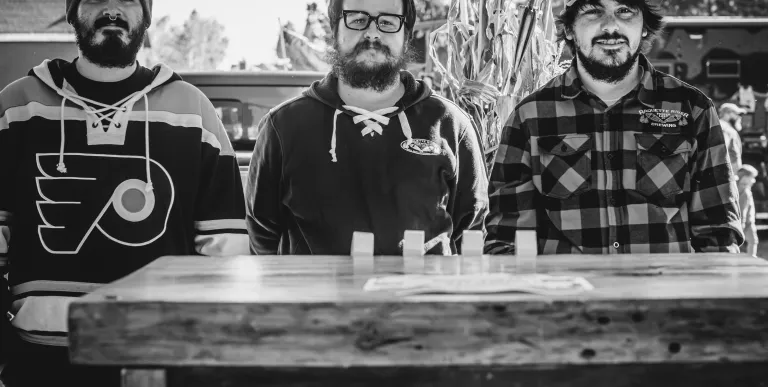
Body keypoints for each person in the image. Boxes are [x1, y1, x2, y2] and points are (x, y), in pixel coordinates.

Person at [0, 0, 248, 385]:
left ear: (147, 14)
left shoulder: (194, 111)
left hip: (160, 359)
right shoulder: (16, 107)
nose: (112, 8)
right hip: (39, 362)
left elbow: (225, 254)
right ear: (72, 12)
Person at [484, 0, 744, 255]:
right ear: (571, 29)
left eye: (625, 11)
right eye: (594, 11)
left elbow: (717, 233)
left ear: (644, 27)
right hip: (567, 296)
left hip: (665, 293)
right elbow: (508, 238)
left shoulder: (692, 109)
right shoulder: (531, 116)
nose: (610, 26)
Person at [246, 0, 488, 256]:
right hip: (315, 296)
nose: (373, 33)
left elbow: (472, 233)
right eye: (358, 19)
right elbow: (262, 235)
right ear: (334, 28)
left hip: (422, 294)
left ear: (406, 33)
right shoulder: (283, 126)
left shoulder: (451, 125)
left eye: (387, 22)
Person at [738, 165, 759, 257]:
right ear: (745, 178)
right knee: (753, 241)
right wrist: (742, 224)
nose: (754, 181)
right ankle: (752, 257)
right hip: (747, 222)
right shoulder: (745, 192)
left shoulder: (738, 189)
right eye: (752, 178)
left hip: (743, 222)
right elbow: (743, 209)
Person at [719, 102, 746, 174]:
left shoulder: (724, 127)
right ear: (728, 113)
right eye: (738, 114)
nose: (740, 117)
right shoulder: (724, 128)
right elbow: (722, 150)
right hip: (727, 173)